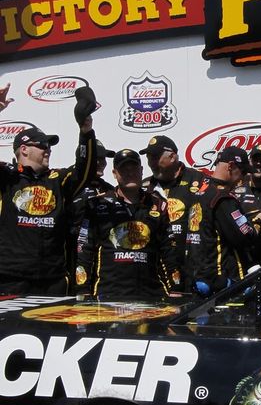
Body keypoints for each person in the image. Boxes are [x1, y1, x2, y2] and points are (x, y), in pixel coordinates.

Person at [0, 86, 97, 295]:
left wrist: (86, 132)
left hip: (53, 281)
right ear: (23, 149)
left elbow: (84, 172)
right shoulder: (6, 178)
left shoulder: (58, 180)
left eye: (49, 145)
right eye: (42, 145)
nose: (48, 149)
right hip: (10, 279)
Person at [76, 148, 181, 300]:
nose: (129, 173)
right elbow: (84, 248)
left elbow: (168, 250)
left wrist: (175, 287)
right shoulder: (97, 204)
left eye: (133, 168)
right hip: (109, 295)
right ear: (114, 173)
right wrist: (82, 289)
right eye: (124, 169)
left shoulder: (158, 204)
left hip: (151, 295)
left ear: (142, 170)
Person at [191, 146, 261, 295]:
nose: (243, 178)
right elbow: (245, 236)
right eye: (243, 172)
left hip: (200, 275)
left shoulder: (201, 191)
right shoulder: (223, 198)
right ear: (231, 166)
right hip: (221, 281)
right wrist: (258, 223)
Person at [139, 135, 201, 277]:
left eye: (155, 157)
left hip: (192, 265)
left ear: (172, 157)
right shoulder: (145, 185)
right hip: (157, 267)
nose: (151, 163)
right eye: (149, 158)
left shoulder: (197, 180)